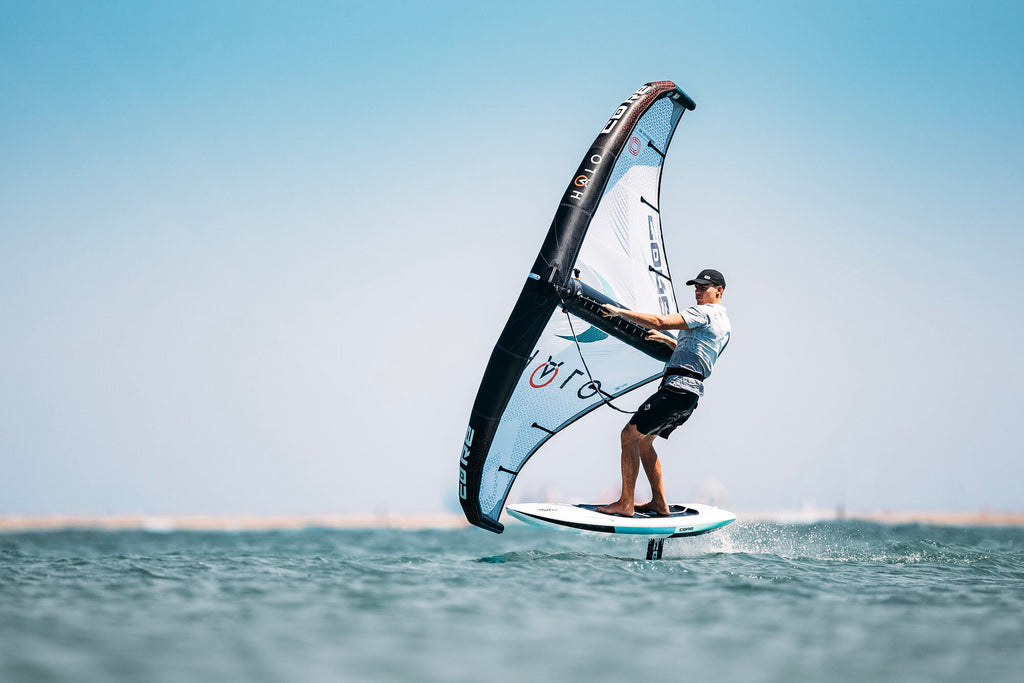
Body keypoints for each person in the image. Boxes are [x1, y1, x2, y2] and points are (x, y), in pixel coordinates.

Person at [595, 269, 731, 517]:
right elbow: (700, 356)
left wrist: (619, 312)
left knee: (628, 436)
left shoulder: (704, 313)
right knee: (644, 443)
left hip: (676, 390)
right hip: (690, 396)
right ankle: (659, 503)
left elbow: (659, 321)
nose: (697, 292)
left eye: (703, 288)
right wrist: (670, 342)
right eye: (696, 288)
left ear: (719, 291)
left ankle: (626, 504)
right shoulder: (724, 324)